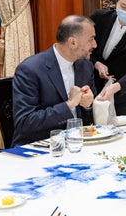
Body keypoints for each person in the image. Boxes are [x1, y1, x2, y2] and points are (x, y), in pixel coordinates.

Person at [12, 15, 97, 146]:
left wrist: (88, 105)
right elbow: (25, 122)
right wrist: (69, 105)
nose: (95, 45)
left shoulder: (86, 67)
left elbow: (90, 120)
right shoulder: (30, 69)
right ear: (73, 42)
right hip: (38, 147)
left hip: (77, 144)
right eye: (91, 39)